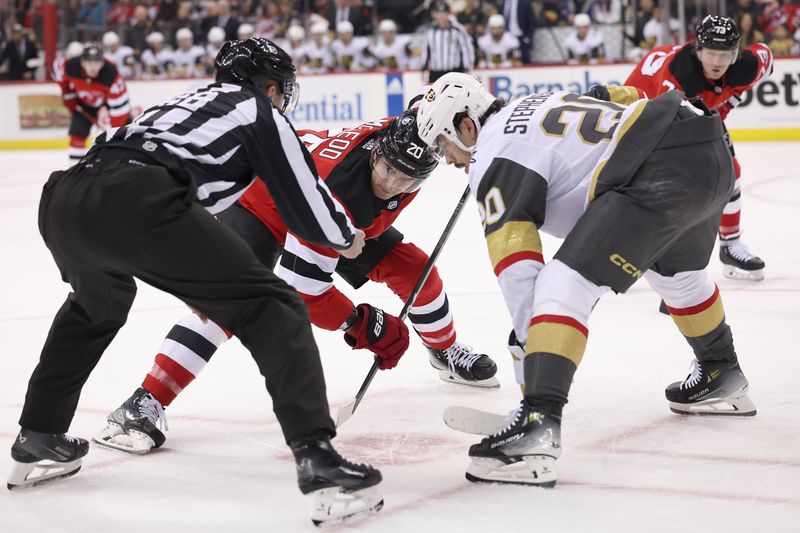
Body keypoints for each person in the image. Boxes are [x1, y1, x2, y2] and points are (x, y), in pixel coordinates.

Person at [8, 38, 383, 526]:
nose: (282, 99)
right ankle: (319, 461)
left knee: (98, 303)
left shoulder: (179, 101)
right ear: (268, 86)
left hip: (65, 196)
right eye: (281, 90)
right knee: (272, 305)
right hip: (138, 197)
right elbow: (305, 200)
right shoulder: (256, 109)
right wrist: (347, 237)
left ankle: (38, 435)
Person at [94, 107, 500, 454]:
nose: (392, 185)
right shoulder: (338, 193)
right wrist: (363, 325)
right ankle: (143, 402)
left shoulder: (414, 129)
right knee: (223, 305)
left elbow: (440, 103)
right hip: (264, 204)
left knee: (417, 272)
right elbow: (301, 293)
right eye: (389, 169)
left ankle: (444, 352)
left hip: (345, 217)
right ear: (375, 153)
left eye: (408, 180)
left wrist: (478, 136)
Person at [415, 72, 755, 487]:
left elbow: (518, 267)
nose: (446, 159)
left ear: (467, 126)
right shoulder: (541, 98)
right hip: (708, 150)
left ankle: (536, 429)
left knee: (560, 288)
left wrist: (532, 348)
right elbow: (628, 94)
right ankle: (722, 373)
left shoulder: (492, 156)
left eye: (443, 143)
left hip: (657, 169)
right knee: (678, 277)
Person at [625, 16, 773, 281]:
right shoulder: (678, 77)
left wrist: (726, 105)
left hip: (688, 111)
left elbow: (767, 58)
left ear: (736, 52)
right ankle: (635, 249)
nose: (718, 62)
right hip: (642, 114)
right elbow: (661, 128)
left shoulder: (745, 66)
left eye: (725, 54)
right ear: (698, 50)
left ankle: (731, 245)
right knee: (660, 180)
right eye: (712, 53)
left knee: (730, 172)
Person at [55, 43, 132, 164]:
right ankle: (75, 171)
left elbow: (120, 111)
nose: (93, 68)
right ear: (82, 62)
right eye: (89, 63)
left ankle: (120, 163)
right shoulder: (70, 66)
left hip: (107, 107)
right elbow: (60, 78)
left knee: (122, 136)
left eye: (97, 63)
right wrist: (69, 98)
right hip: (83, 105)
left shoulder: (111, 74)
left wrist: (115, 132)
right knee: (77, 135)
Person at [419, 1, 474, 82]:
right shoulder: (429, 31)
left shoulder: (457, 30)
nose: (441, 16)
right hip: (435, 72)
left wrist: (467, 67)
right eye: (438, 13)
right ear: (434, 15)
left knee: (455, 94)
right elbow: (426, 51)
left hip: (455, 71)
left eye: (443, 13)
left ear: (448, 14)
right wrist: (423, 68)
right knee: (436, 94)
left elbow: (466, 49)